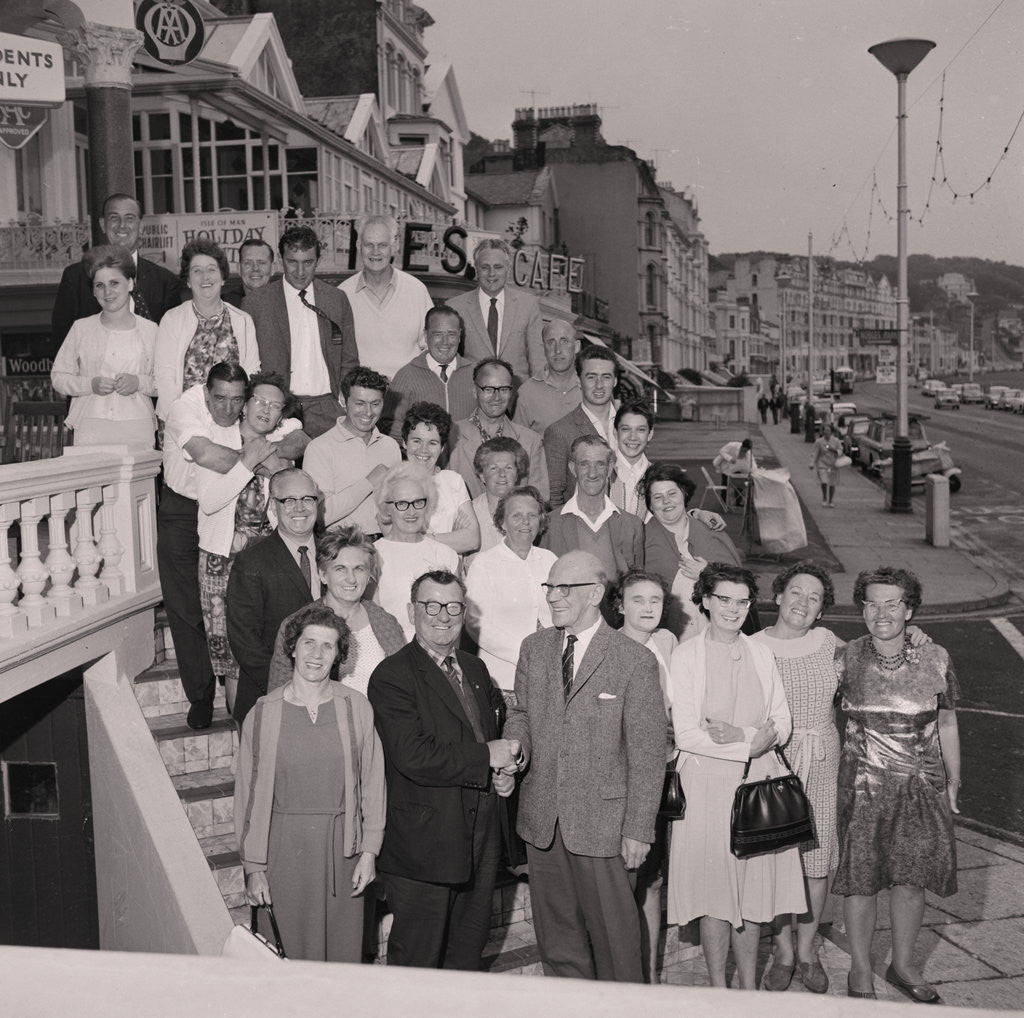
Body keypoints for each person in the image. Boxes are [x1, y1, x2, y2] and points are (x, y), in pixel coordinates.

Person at [502, 550, 664, 981]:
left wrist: (637, 829)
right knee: (558, 943)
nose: (552, 596)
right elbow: (521, 713)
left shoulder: (633, 659)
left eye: (563, 588)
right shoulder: (534, 648)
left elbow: (649, 754)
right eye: (549, 587)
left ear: (595, 593)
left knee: (617, 945)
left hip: (606, 828)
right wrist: (515, 748)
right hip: (543, 822)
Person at [367, 570, 518, 969]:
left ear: (464, 612)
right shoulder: (392, 676)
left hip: (480, 841)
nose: (442, 615)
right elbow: (414, 755)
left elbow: (482, 737)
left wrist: (499, 775)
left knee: (465, 959)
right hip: (425, 845)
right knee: (419, 963)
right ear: (411, 611)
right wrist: (487, 757)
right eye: (430, 605)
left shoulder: (475, 668)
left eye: (453, 606)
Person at [667, 562, 807, 990]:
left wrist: (746, 737)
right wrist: (748, 742)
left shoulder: (761, 652)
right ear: (706, 601)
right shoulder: (686, 654)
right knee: (715, 894)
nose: (733, 609)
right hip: (706, 785)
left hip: (756, 784)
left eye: (741, 601)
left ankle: (748, 989)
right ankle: (718, 989)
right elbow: (688, 733)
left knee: (750, 895)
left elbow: (781, 721)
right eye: (723, 599)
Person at [836, 567, 960, 1003]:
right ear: (862, 608)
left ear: (909, 609)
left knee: (911, 880)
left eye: (893, 603)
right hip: (863, 785)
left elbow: (946, 719)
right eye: (872, 602)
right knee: (860, 881)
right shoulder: (844, 655)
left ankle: (903, 965)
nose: (881, 611)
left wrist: (953, 780)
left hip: (920, 785)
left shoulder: (936, 656)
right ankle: (860, 969)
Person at [235, 603, 385, 963]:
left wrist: (369, 851)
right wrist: (254, 869)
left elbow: (373, 783)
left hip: (344, 852)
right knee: (288, 960)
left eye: (328, 646)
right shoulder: (263, 713)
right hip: (284, 854)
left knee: (342, 959)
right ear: (292, 648)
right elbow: (247, 800)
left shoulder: (356, 706)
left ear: (339, 656)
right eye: (309, 643)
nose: (316, 654)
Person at [158, 362, 282, 729]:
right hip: (183, 507)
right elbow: (209, 457)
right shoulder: (186, 408)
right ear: (206, 392)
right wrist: (260, 461)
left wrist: (272, 449)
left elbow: (296, 435)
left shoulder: (254, 421)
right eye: (220, 399)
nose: (227, 409)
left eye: (236, 400)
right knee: (186, 609)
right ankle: (199, 694)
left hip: (234, 524)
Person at [750, 561, 840, 994]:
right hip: (771, 764)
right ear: (779, 595)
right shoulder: (752, 646)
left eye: (814, 598)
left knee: (817, 858)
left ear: (821, 611)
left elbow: (877, 658)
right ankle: (782, 951)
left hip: (821, 762)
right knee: (776, 857)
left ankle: (808, 950)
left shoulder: (830, 644)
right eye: (797, 592)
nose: (803, 602)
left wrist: (914, 637)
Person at [194, 373, 301, 708]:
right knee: (233, 660)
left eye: (275, 406)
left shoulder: (281, 452)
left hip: (265, 565)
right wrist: (248, 461)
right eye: (260, 401)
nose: (266, 409)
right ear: (245, 404)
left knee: (265, 650)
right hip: (222, 563)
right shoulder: (216, 439)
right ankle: (242, 735)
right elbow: (210, 503)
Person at [614, 568, 677, 983]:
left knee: (652, 882)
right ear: (620, 605)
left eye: (655, 600)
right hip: (623, 782)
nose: (648, 608)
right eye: (638, 600)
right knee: (622, 885)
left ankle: (650, 976)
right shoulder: (610, 648)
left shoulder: (667, 642)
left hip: (663, 775)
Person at [226, 468, 323, 725]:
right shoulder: (251, 561)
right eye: (288, 500)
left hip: (327, 694)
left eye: (307, 499)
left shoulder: (335, 554)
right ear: (272, 506)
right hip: (270, 695)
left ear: (318, 502)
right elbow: (244, 640)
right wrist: (289, 685)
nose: (299, 508)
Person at [244, 225, 359, 438]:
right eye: (292, 262)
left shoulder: (337, 299)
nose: (300, 271)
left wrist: (344, 403)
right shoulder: (255, 303)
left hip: (329, 408)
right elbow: (248, 366)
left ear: (318, 261)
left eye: (308, 263)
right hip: (279, 411)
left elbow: (349, 359)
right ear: (280, 260)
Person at [267, 527, 407, 698]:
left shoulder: (385, 621)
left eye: (359, 569)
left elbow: (405, 687)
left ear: (369, 574)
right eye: (340, 569)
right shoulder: (297, 625)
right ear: (323, 575)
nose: (351, 578)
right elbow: (277, 696)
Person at [50, 244, 158, 449]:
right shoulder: (81, 328)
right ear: (93, 290)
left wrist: (139, 382)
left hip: (137, 428)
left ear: (131, 284)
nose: (107, 292)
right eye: (100, 285)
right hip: (91, 428)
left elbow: (165, 382)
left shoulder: (151, 330)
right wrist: (89, 385)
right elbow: (58, 377)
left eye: (114, 283)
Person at [154, 238, 262, 423]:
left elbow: (251, 375)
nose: (205, 277)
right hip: (182, 423)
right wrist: (184, 423)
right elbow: (165, 380)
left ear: (223, 277)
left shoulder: (243, 321)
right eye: (197, 271)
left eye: (211, 269)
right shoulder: (171, 320)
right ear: (188, 280)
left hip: (231, 421)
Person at [51, 193, 183, 343]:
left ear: (141, 226)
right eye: (114, 218)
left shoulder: (165, 282)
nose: (122, 225)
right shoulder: (75, 277)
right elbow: (62, 341)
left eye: (129, 218)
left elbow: (172, 345)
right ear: (102, 224)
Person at [464, 486, 556, 695]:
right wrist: (524, 655)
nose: (525, 522)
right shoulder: (484, 563)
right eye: (517, 515)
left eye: (532, 515)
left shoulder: (550, 560)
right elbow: (476, 624)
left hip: (551, 676)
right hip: (504, 679)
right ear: (502, 522)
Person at [542, 436, 644, 618]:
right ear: (573, 468)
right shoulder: (550, 525)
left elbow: (638, 588)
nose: (592, 473)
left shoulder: (632, 525)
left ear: (610, 467)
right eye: (584, 464)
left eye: (600, 464)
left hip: (617, 627)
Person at [640, 463, 744, 640]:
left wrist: (708, 574)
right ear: (650, 505)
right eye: (658, 497)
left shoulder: (711, 532)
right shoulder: (642, 541)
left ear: (684, 493)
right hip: (668, 646)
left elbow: (742, 587)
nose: (666, 502)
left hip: (719, 641)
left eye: (672, 493)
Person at [303, 367, 401, 536]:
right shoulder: (319, 448)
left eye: (375, 404)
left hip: (388, 543)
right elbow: (319, 516)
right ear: (343, 399)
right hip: (341, 546)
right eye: (360, 403)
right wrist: (368, 482)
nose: (368, 412)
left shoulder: (391, 446)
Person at [339, 214, 434, 382]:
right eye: (369, 245)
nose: (375, 252)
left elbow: (431, 348)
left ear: (394, 246)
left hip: (409, 397)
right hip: (362, 399)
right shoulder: (342, 295)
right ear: (358, 245)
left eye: (382, 245)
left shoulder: (417, 291)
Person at [372, 464, 459, 641]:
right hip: (390, 654)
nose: (411, 512)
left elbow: (455, 622)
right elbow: (373, 620)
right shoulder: (372, 554)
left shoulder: (446, 555)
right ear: (387, 508)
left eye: (418, 502)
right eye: (402, 504)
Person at [445, 238, 544, 382]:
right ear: (476, 269)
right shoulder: (455, 308)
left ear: (508, 269)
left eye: (498, 267)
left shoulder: (528, 305)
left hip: (518, 398)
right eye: (485, 267)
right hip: (472, 397)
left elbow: (538, 361)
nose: (491, 274)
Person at [448, 357, 548, 499]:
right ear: (475, 391)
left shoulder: (531, 442)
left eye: (503, 389)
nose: (496, 397)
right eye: (488, 389)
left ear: (511, 392)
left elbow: (540, 498)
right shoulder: (451, 435)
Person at [398, 402, 479, 555]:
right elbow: (401, 544)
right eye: (417, 441)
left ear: (442, 448)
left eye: (432, 443)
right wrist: (453, 538)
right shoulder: (392, 484)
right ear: (404, 442)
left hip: (449, 575)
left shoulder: (453, 481)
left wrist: (423, 538)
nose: (423, 450)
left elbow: (472, 540)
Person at [544, 345, 619, 506]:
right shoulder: (559, 432)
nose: (599, 385)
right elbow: (554, 496)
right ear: (578, 380)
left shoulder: (628, 426)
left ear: (615, 381)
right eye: (591, 377)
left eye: (606, 377)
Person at [388, 305, 475, 439]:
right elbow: (388, 424)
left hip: (467, 458)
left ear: (459, 336)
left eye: (451, 334)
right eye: (437, 334)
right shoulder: (406, 375)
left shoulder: (476, 375)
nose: (445, 342)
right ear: (426, 335)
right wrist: (418, 446)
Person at [513, 319, 582, 434]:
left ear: (577, 346)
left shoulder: (592, 387)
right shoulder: (526, 394)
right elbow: (517, 445)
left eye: (564, 341)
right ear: (543, 348)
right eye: (551, 342)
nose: (557, 350)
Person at [469, 436, 530, 557]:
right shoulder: (469, 512)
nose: (502, 474)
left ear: (517, 474)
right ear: (481, 475)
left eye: (508, 468)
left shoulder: (532, 510)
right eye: (493, 468)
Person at [610, 400, 655, 516]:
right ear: (615, 432)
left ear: (650, 434)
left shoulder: (656, 475)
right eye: (626, 429)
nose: (633, 437)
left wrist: (696, 514)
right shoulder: (599, 471)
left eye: (640, 430)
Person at [221, 238, 275, 308]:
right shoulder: (223, 304)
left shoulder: (287, 302)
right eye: (248, 263)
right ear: (239, 268)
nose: (255, 268)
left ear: (273, 268)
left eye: (262, 263)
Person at [713, 437, 756, 508]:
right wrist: (729, 458)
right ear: (742, 446)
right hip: (726, 467)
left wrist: (753, 470)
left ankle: (738, 502)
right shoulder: (732, 445)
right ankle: (724, 503)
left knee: (739, 483)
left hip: (738, 469)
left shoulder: (748, 453)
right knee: (725, 484)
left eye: (746, 450)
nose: (744, 451)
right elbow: (721, 451)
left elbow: (751, 463)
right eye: (744, 449)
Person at [810, 422, 842, 508]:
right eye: (825, 431)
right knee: (824, 481)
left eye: (828, 431)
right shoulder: (819, 442)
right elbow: (815, 453)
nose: (826, 433)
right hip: (822, 464)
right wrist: (812, 463)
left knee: (832, 483)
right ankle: (824, 497)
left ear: (831, 432)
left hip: (832, 464)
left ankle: (831, 500)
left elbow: (840, 451)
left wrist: (834, 451)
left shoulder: (836, 441)